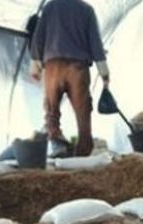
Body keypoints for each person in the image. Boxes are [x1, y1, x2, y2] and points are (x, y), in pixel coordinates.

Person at [29, 0, 110, 158]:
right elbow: (95, 42)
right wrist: (104, 73)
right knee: (83, 112)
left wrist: (35, 65)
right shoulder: (86, 9)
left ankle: (57, 144)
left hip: (53, 66)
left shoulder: (50, 7)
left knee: (51, 112)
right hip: (77, 67)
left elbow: (38, 36)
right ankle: (83, 152)